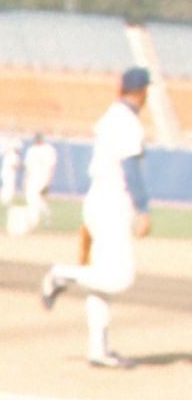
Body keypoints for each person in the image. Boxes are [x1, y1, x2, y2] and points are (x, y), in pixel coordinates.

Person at [42, 66, 152, 368]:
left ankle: (98, 350)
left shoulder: (110, 117)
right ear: (142, 91)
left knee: (101, 280)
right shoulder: (127, 121)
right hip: (112, 202)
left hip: (99, 199)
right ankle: (61, 274)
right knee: (120, 276)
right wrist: (143, 208)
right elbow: (130, 168)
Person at [11, 123, 58, 235]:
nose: (37, 140)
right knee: (30, 200)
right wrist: (25, 181)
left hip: (42, 178)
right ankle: (33, 223)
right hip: (32, 178)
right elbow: (28, 167)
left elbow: (52, 166)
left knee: (36, 198)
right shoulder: (31, 150)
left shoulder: (48, 149)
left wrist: (48, 182)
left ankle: (46, 214)